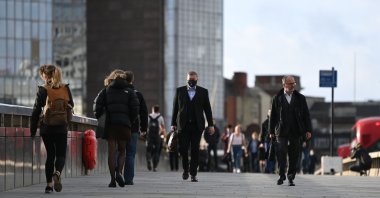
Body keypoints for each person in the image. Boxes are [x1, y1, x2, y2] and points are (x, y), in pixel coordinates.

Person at [30, 64, 74, 193]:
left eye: (42, 75)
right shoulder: (65, 88)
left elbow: (36, 110)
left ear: (45, 75)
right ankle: (58, 173)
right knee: (61, 155)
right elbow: (71, 104)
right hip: (61, 126)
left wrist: (33, 130)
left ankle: (49, 185)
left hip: (47, 127)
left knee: (50, 155)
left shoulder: (43, 89)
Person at [93, 69, 139, 187]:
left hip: (111, 125)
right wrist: (130, 120)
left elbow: (96, 107)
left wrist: (101, 117)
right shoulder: (130, 91)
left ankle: (113, 180)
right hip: (124, 125)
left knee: (112, 152)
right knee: (122, 151)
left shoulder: (106, 91)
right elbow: (135, 108)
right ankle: (119, 172)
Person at [171, 71, 215, 182]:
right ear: (187, 79)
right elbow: (175, 108)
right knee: (183, 149)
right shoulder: (179, 91)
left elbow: (208, 110)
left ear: (197, 79)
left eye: (193, 80)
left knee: (195, 149)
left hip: (197, 126)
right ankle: (186, 169)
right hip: (183, 126)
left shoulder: (203, 92)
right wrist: (173, 124)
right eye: (189, 79)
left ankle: (193, 174)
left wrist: (211, 125)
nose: (191, 81)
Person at [269, 75, 312, 186]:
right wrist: (271, 132)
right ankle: (281, 174)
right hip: (281, 131)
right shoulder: (276, 98)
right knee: (281, 153)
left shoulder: (300, 98)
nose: (293, 85)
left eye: (294, 83)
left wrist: (308, 130)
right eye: (290, 83)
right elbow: (273, 116)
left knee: (294, 155)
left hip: (296, 131)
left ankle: (291, 176)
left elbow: (306, 115)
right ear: (284, 85)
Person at [123, 70, 148, 185]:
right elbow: (143, 112)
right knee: (130, 153)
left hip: (118, 126)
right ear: (132, 80)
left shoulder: (117, 92)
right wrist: (143, 128)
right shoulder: (137, 94)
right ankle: (128, 179)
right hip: (133, 127)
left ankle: (116, 175)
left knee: (119, 152)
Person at [146, 105, 166, 172]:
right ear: (158, 110)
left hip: (150, 136)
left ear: (153, 109)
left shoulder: (149, 117)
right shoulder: (160, 117)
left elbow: (146, 126)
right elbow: (163, 128)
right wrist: (164, 136)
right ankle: (155, 167)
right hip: (157, 136)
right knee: (157, 151)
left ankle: (148, 160)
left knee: (148, 150)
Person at [259, 109, 276, 174]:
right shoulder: (265, 123)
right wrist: (262, 143)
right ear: (268, 113)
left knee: (273, 155)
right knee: (268, 155)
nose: (271, 113)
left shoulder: (276, 121)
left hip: (275, 141)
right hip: (267, 141)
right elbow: (262, 134)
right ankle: (268, 169)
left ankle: (272, 169)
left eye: (272, 112)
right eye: (270, 112)